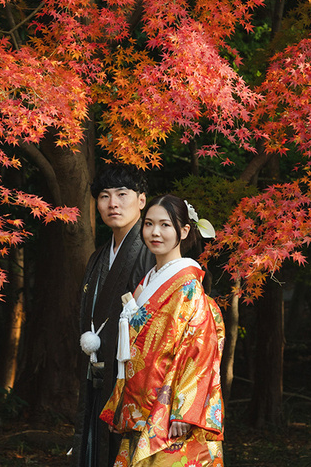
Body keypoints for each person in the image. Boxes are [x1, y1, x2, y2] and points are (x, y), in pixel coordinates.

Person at [101, 195, 223, 467]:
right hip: (141, 399)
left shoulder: (188, 284)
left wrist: (185, 408)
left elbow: (200, 347)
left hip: (171, 409)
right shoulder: (149, 280)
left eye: (165, 225)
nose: (155, 232)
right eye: (148, 224)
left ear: (184, 231)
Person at [75, 165, 156, 467]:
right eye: (105, 196)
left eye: (123, 194)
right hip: (98, 373)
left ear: (142, 200)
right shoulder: (98, 256)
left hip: (134, 380)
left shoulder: (149, 251)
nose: (113, 204)